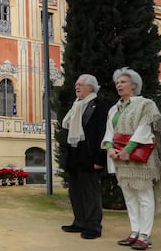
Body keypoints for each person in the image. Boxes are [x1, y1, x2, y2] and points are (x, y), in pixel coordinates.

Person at [102, 67, 161, 250]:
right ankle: (134, 232)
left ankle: (145, 235)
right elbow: (109, 131)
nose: (118, 85)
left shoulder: (146, 104)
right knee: (129, 196)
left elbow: (145, 128)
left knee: (144, 196)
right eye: (117, 83)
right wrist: (109, 148)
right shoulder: (115, 108)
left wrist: (128, 149)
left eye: (123, 82)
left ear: (134, 85)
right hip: (120, 159)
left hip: (141, 159)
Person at [61, 74, 109, 239]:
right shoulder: (76, 105)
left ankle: (94, 226)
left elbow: (103, 133)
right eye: (76, 84)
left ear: (91, 87)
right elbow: (68, 127)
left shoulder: (99, 106)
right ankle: (79, 221)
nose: (76, 87)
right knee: (75, 190)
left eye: (80, 84)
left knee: (90, 191)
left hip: (90, 154)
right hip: (75, 152)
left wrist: (99, 159)